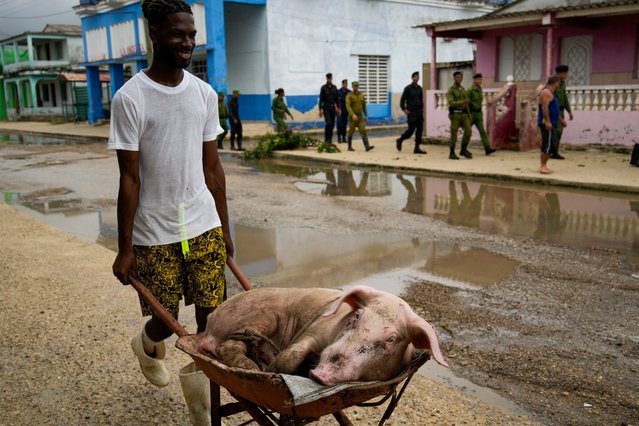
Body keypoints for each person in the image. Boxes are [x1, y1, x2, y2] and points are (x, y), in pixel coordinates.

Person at [108, 0, 233, 398]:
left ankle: (201, 407)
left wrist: (224, 229)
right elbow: (130, 178)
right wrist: (124, 248)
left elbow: (213, 170)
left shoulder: (204, 94)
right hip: (154, 231)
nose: (187, 42)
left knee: (210, 323)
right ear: (156, 35)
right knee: (166, 321)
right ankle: (146, 342)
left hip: (202, 223)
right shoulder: (131, 98)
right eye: (178, 34)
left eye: (192, 35)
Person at [538, 76, 566, 174]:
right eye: (559, 83)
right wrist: (547, 121)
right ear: (555, 82)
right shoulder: (546, 92)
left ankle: (544, 165)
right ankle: (542, 166)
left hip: (553, 122)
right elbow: (544, 108)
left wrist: (561, 120)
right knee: (549, 144)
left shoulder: (551, 93)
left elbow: (554, 109)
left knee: (552, 144)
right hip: (546, 122)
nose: (559, 85)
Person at [466, 73, 497, 156]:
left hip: (478, 113)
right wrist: (468, 115)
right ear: (474, 80)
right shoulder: (470, 90)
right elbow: (466, 103)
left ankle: (487, 148)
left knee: (482, 131)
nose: (480, 81)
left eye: (480, 79)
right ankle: (463, 148)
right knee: (467, 131)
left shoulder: (479, 89)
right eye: (478, 79)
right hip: (472, 113)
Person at [396, 71, 426, 154]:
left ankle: (417, 148)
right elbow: (402, 100)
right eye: (415, 77)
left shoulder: (420, 89)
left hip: (419, 112)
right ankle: (400, 139)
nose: (417, 78)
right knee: (411, 131)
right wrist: (404, 109)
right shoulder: (408, 88)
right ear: (412, 78)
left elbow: (421, 100)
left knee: (419, 130)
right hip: (411, 113)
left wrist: (422, 110)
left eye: (418, 77)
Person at [446, 71, 472, 160]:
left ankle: (463, 149)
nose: (459, 79)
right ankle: (452, 153)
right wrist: (462, 102)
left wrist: (469, 115)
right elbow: (451, 102)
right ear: (454, 78)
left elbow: (467, 103)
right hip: (455, 115)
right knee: (454, 134)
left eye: (460, 77)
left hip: (463, 115)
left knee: (468, 131)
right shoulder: (451, 90)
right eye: (457, 77)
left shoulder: (463, 89)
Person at [345, 81, 374, 152]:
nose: (356, 87)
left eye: (357, 86)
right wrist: (352, 114)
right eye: (354, 86)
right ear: (352, 87)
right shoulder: (349, 95)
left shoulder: (361, 95)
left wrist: (366, 115)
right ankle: (349, 146)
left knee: (363, 130)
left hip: (360, 117)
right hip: (353, 118)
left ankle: (367, 146)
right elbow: (348, 106)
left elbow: (364, 106)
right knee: (351, 131)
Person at [554, 65, 572, 160]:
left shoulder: (563, 84)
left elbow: (564, 98)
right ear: (559, 73)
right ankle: (551, 151)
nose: (566, 75)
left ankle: (554, 151)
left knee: (559, 132)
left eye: (566, 73)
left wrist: (569, 111)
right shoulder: (553, 84)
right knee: (555, 131)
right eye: (564, 73)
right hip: (554, 110)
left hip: (561, 110)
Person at [319, 73, 341, 143]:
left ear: (332, 78)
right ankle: (326, 138)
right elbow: (321, 99)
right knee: (328, 123)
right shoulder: (323, 88)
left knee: (332, 124)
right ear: (326, 79)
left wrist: (338, 108)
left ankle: (330, 139)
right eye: (328, 78)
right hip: (326, 108)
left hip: (333, 108)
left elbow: (337, 99)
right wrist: (320, 109)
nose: (329, 79)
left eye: (330, 78)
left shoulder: (334, 87)